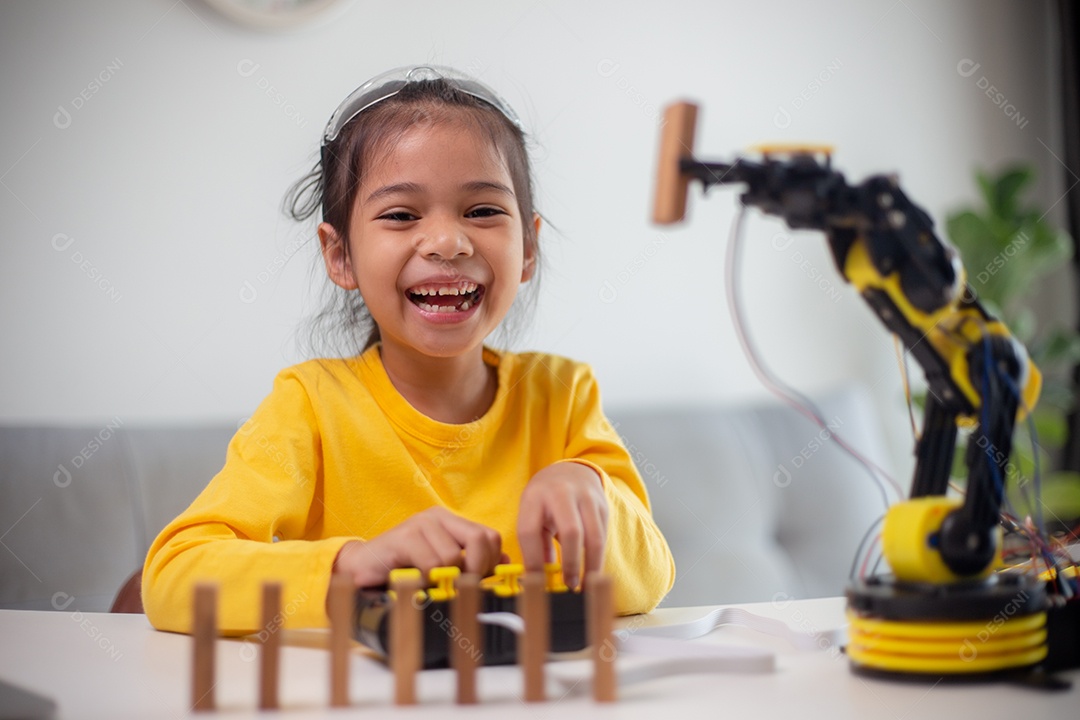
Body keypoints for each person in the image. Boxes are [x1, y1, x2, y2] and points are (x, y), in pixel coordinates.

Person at [142, 65, 675, 635]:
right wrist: (349, 569)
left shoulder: (562, 395)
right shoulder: (311, 405)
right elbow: (174, 577)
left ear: (528, 248)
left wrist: (591, 487)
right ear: (340, 255)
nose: (447, 241)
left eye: (482, 211)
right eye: (400, 215)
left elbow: (651, 580)